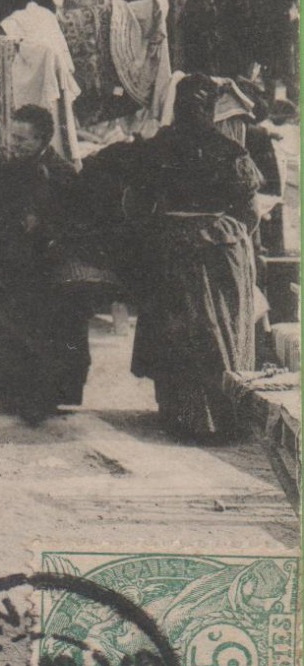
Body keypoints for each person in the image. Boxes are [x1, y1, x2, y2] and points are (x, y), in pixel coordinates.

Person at [123, 74, 263, 440]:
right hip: (220, 251)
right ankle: (222, 415)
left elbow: (134, 205)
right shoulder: (231, 151)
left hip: (173, 249)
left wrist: (158, 232)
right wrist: (225, 233)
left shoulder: (155, 148)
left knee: (179, 333)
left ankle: (182, 416)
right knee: (219, 331)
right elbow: (250, 213)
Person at [0, 105, 90, 424]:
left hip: (48, 269)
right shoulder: (5, 171)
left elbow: (79, 222)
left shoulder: (63, 174)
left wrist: (44, 226)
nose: (16, 145)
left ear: (43, 139)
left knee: (46, 333)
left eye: (24, 140)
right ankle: (8, 390)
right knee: (6, 328)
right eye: (13, 137)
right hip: (9, 265)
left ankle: (44, 396)